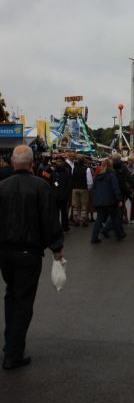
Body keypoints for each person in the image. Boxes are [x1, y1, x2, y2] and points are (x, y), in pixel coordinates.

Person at [0, 145, 64, 370]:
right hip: (29, 252)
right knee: (23, 300)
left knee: (11, 295)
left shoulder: (2, 187)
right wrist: (56, 247)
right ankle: (13, 353)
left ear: (12, 163)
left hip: (5, 251)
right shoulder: (40, 186)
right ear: (32, 163)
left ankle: (10, 344)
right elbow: (49, 218)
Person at [91, 158, 125, 243]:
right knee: (115, 217)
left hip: (99, 200)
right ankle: (120, 234)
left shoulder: (98, 176)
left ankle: (94, 237)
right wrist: (119, 199)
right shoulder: (112, 175)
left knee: (99, 219)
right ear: (111, 166)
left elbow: (93, 187)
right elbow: (115, 188)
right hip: (110, 201)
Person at [71, 155, 93, 226]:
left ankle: (76, 219)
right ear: (83, 161)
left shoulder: (73, 168)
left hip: (75, 188)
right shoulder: (87, 169)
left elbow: (72, 178)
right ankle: (83, 220)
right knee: (84, 206)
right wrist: (88, 188)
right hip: (84, 188)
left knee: (75, 205)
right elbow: (89, 181)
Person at [52, 157, 71, 232]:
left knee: (64, 212)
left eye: (59, 161)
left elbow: (69, 184)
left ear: (63, 162)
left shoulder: (67, 172)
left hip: (63, 196)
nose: (58, 162)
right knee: (55, 212)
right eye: (57, 161)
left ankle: (65, 226)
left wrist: (66, 194)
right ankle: (56, 226)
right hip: (55, 196)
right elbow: (50, 181)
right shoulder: (53, 171)